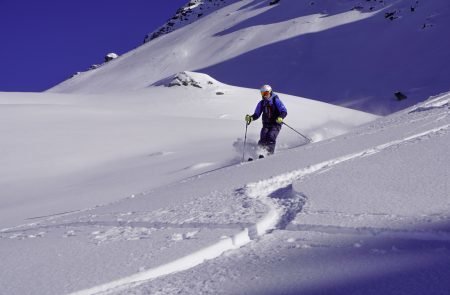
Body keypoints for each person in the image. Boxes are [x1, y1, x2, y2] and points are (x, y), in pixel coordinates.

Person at [245, 84, 287, 156]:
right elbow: (257, 114)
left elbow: (284, 111)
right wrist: (251, 118)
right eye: (262, 93)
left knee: (271, 136)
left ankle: (269, 154)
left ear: (270, 92)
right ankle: (259, 153)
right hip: (266, 124)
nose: (264, 95)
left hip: (276, 123)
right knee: (263, 137)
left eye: (266, 93)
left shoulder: (275, 100)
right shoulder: (262, 103)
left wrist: (280, 117)